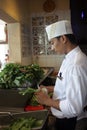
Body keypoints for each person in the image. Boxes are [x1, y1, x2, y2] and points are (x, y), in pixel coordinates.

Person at [35, 20, 87, 130]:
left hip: (71, 121)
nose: (52, 48)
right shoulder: (69, 58)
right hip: (64, 118)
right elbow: (68, 85)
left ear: (63, 39)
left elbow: (74, 108)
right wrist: (50, 89)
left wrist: (47, 101)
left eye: (52, 42)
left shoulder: (76, 64)